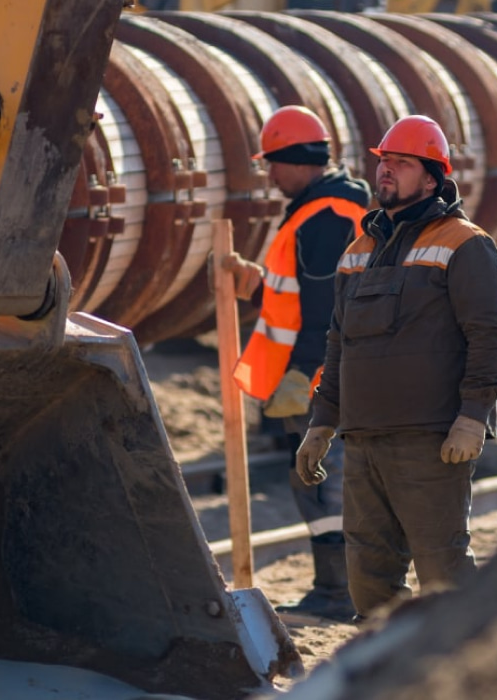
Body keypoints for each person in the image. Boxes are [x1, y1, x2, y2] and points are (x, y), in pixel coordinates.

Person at [295, 114, 497, 620]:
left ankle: (466, 660)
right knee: (368, 578)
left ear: (432, 178)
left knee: (442, 570)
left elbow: (491, 335)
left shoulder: (465, 243)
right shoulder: (358, 252)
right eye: (383, 161)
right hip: (363, 440)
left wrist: (473, 416)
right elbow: (339, 344)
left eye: (401, 162)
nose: (386, 170)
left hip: (431, 441)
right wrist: (322, 423)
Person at [223, 105, 371, 621]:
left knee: (320, 479)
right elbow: (304, 296)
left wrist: (306, 374)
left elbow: (326, 308)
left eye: (272, 164)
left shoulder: (325, 216)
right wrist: (256, 286)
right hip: (336, 369)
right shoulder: (332, 208)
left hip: (321, 373)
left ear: (297, 160)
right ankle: (340, 588)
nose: (269, 175)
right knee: (322, 477)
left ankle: (338, 592)